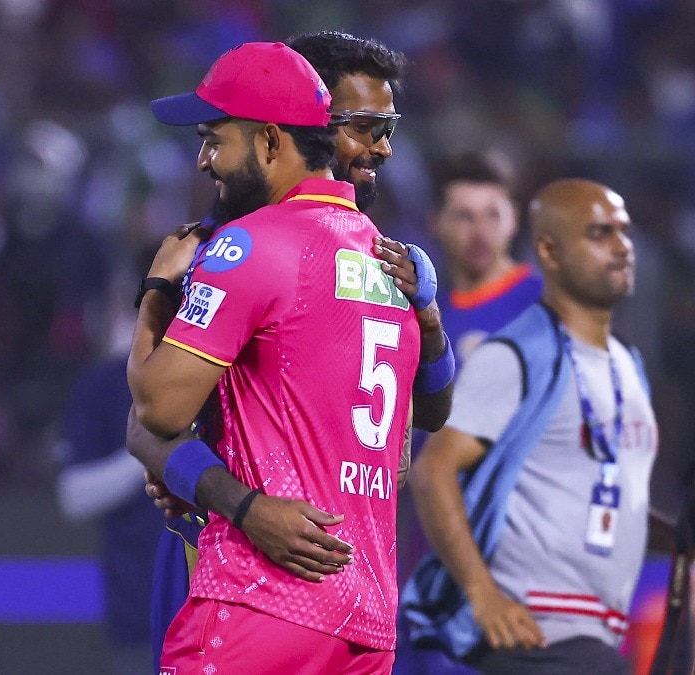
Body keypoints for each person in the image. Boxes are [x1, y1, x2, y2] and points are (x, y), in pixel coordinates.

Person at [137, 31, 456, 669]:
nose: (380, 147)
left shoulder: (246, 246)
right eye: (364, 127)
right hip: (355, 600)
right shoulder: (381, 258)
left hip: (253, 588)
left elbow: (152, 415)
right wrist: (225, 493)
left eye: (386, 126)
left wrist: (154, 292)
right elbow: (404, 445)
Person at [402, 179, 656, 674]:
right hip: (537, 639)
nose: (622, 247)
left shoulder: (628, 363)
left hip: (597, 638)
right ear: (549, 251)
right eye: (600, 233)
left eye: (624, 232)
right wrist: (483, 595)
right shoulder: (519, 352)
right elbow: (434, 471)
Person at [54, 353, 158, 674]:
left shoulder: (233, 377)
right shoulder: (107, 382)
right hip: (142, 615)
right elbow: (74, 496)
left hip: (233, 614)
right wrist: (152, 451)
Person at [430, 150, 542, 362]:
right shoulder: (427, 315)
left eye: (493, 215)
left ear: (515, 219)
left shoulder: (545, 303)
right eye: (464, 216)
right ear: (436, 223)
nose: (480, 233)